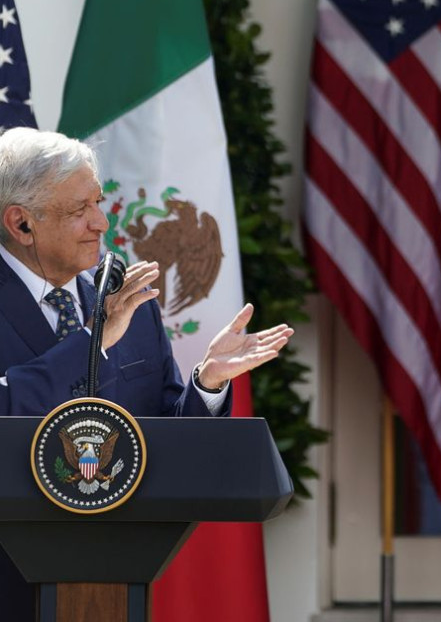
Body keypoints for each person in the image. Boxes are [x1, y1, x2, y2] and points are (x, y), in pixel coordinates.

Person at [0, 127, 293, 616]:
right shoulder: (114, 314)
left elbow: (164, 437)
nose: (101, 223)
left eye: (98, 202)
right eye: (80, 210)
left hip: (116, 576)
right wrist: (93, 341)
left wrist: (209, 383)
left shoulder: (129, 302)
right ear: (21, 223)